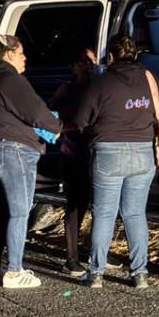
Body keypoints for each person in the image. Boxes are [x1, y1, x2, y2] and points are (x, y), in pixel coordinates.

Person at [73, 35, 158, 289]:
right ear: (134, 55)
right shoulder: (149, 80)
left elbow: (80, 120)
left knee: (105, 214)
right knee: (135, 214)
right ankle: (140, 273)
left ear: (110, 56)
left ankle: (96, 273)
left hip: (109, 152)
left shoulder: (101, 83)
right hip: (144, 152)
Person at [0, 32, 61, 289]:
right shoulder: (11, 80)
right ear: (10, 54)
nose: (25, 58)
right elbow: (37, 112)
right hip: (15, 152)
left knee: (4, 212)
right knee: (19, 212)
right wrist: (56, 126)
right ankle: (14, 271)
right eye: (22, 53)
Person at [49, 47, 97, 275]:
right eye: (82, 61)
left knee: (98, 206)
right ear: (73, 66)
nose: (87, 65)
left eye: (91, 60)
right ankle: (71, 258)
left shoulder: (99, 87)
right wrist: (65, 130)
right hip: (73, 154)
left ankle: (94, 251)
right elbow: (49, 117)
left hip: (96, 154)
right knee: (75, 206)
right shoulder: (67, 90)